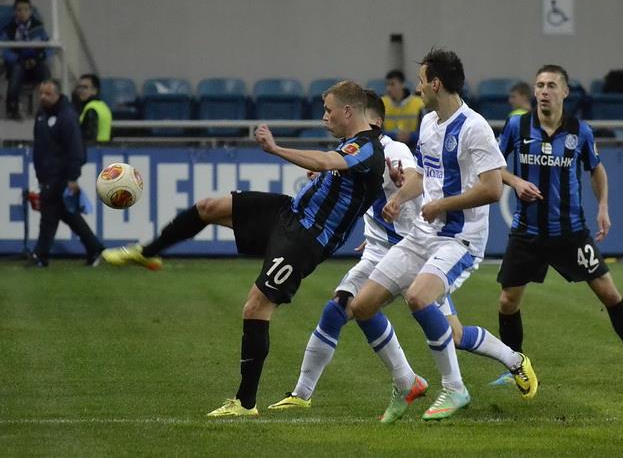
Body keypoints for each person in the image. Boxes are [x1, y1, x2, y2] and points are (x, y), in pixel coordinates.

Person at [101, 80, 386, 416]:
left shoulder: (367, 147)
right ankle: (147, 252)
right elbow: (338, 175)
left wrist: (276, 149)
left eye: (328, 110)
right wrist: (320, 178)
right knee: (208, 207)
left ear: (348, 111)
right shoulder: (353, 144)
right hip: (288, 213)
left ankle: (245, 402)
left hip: (306, 238)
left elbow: (328, 162)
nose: (324, 117)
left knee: (255, 306)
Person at [268, 90, 538, 417]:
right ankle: (307, 393)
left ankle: (512, 360)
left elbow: (416, 177)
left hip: (420, 247)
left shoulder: (393, 150)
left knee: (452, 334)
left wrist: (399, 190)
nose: (330, 117)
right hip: (382, 250)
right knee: (343, 306)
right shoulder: (350, 152)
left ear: (375, 121)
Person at [345, 48, 528, 423]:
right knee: (361, 306)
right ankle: (407, 381)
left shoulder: (474, 127)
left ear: (436, 84)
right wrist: (399, 197)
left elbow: (493, 189)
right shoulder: (428, 123)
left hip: (461, 239)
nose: (417, 89)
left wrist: (442, 205)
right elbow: (425, 178)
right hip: (422, 233)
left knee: (418, 297)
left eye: (420, 81)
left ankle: (454, 387)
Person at [492, 64, 623, 387]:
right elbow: (493, 165)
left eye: (551, 85)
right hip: (527, 232)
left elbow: (596, 169)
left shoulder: (580, 132)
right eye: (539, 85)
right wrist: (515, 181)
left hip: (571, 233)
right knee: (507, 301)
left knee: (609, 294)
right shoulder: (517, 126)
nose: (544, 91)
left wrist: (603, 207)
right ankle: (514, 367)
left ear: (565, 92)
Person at [29, 79, 103, 267]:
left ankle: (40, 255)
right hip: (47, 175)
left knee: (49, 216)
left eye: (47, 94)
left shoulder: (67, 116)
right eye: (41, 93)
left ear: (57, 94)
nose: (43, 97)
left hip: (60, 175)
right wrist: (39, 173)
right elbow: (39, 146)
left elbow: (76, 148)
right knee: (66, 215)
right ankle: (94, 247)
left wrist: (72, 177)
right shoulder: (41, 115)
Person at [0, 0, 51, 119]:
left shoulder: (39, 28)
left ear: (30, 11)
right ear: (14, 12)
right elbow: (4, 50)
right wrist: (18, 59)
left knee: (44, 69)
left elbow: (49, 47)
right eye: (19, 10)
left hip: (35, 64)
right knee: (16, 70)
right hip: (17, 64)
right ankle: (12, 107)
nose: (22, 13)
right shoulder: (9, 30)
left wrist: (38, 58)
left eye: (26, 9)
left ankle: (49, 107)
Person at [382, 69, 424, 150]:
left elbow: (425, 132)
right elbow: (376, 132)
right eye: (387, 85)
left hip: (413, 147)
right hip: (389, 147)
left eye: (392, 84)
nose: (388, 89)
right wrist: (395, 136)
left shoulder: (419, 103)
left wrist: (410, 136)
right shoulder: (382, 103)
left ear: (402, 84)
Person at [74, 74, 112, 142]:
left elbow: (89, 138)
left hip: (93, 147)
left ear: (94, 90)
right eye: (79, 87)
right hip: (103, 147)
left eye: (85, 87)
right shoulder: (103, 106)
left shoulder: (91, 109)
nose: (80, 90)